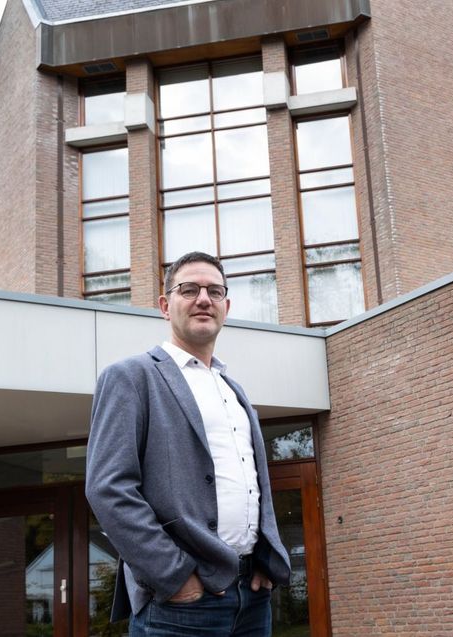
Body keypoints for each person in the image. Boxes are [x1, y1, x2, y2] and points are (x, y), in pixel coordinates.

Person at [86, 251, 290, 637]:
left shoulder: (234, 390)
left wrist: (267, 556)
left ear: (226, 306)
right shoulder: (131, 377)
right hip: (181, 605)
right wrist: (174, 576)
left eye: (215, 291)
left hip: (253, 598)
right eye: (189, 289)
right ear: (165, 305)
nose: (203, 298)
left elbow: (255, 485)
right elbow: (108, 488)